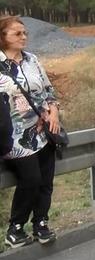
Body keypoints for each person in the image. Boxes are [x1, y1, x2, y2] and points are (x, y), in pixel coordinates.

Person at [0, 15, 60, 248]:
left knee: (45, 180)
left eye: (25, 33)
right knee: (31, 179)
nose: (24, 37)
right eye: (17, 33)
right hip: (14, 136)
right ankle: (15, 228)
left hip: (44, 130)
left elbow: (48, 90)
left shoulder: (32, 60)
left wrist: (54, 111)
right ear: (3, 37)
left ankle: (41, 224)